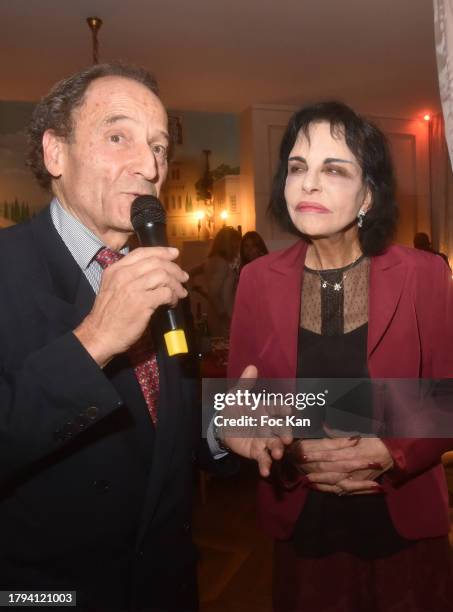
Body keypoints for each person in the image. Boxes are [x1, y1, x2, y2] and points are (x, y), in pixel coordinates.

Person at [222, 102, 453, 611]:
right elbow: (240, 404)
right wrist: (282, 448)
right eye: (298, 167)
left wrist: (392, 452)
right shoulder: (258, 280)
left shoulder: (425, 273)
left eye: (334, 168)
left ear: (367, 193)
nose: (308, 183)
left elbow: (448, 394)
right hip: (304, 518)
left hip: (402, 516)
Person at [0, 62, 200, 610]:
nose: (149, 165)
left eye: (159, 147)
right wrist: (92, 340)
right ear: (55, 154)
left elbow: (170, 421)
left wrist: (235, 429)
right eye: (118, 137)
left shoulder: (158, 270)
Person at [204, 226, 241, 337]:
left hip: (218, 315)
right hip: (224, 317)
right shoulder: (222, 263)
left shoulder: (211, 261)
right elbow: (213, 292)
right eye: (236, 243)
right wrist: (224, 315)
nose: (237, 247)